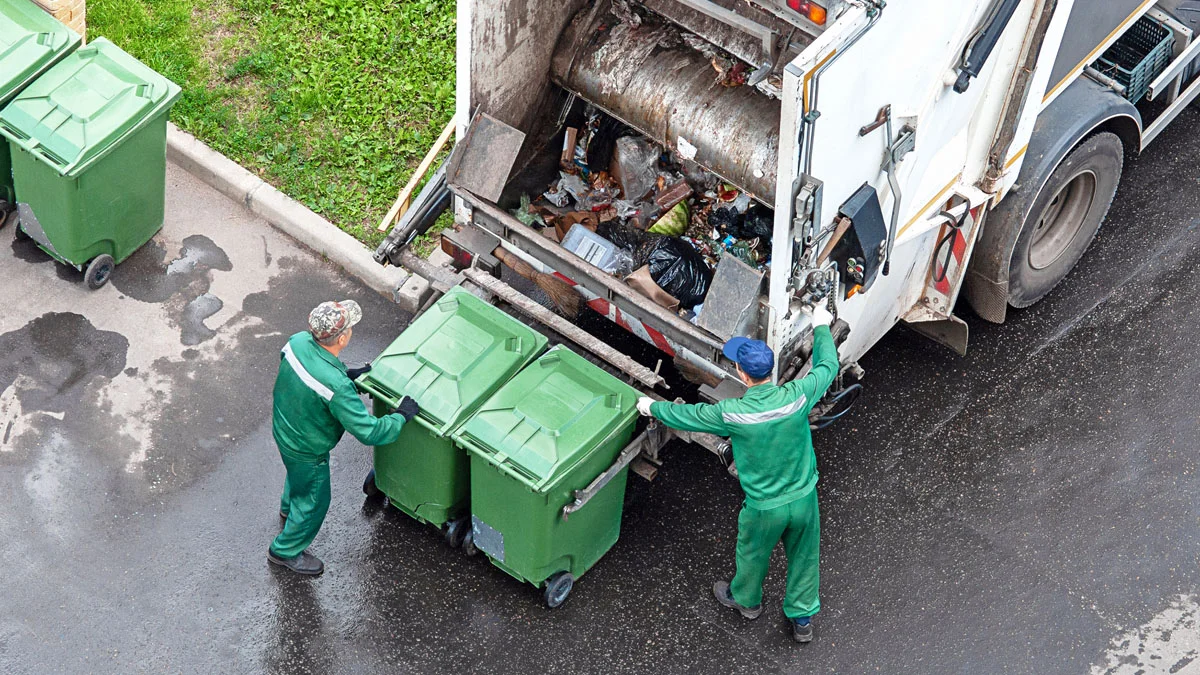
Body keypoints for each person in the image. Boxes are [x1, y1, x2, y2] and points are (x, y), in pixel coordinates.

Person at [637, 305, 839, 643]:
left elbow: (689, 417)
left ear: (742, 375)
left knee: (753, 554)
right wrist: (820, 326)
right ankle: (802, 619)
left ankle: (746, 602)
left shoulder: (734, 413)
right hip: (804, 499)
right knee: (805, 557)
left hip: (764, 507)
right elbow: (827, 366)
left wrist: (651, 407)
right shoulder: (797, 396)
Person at [268, 299, 420, 576]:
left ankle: (288, 510)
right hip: (307, 447)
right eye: (349, 327)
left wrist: (346, 375)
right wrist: (401, 416)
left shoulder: (297, 342)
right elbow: (370, 432)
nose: (351, 330)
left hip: (284, 427)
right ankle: (285, 551)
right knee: (314, 500)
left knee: (297, 477)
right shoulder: (336, 388)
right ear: (341, 338)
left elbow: (307, 376)